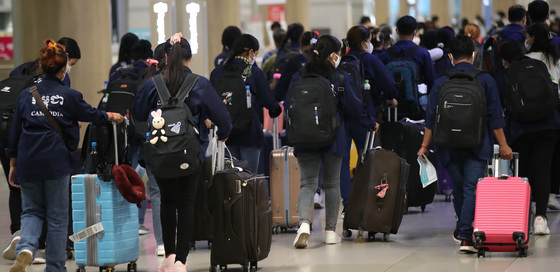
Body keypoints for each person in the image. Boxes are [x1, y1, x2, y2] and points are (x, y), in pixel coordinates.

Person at [7, 39, 124, 272]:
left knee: (30, 210)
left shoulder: (25, 96)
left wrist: (13, 164)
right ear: (63, 70)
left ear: (42, 66)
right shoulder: (69, 95)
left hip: (28, 158)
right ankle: (55, 268)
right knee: (57, 217)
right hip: (56, 160)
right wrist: (112, 116)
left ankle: (27, 247)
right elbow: (92, 114)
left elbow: (15, 132)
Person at [132, 33, 232, 272]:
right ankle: (182, 261)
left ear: (165, 56)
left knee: (166, 201)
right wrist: (224, 131)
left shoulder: (152, 83)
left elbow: (136, 113)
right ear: (189, 57)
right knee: (186, 203)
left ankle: (169, 255)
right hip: (189, 153)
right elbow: (222, 117)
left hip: (159, 153)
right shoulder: (199, 83)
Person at [417, 35, 513, 253]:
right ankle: (466, 236)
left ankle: (464, 231)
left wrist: (424, 146)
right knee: (472, 188)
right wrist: (504, 145)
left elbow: (431, 118)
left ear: (450, 57)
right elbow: (495, 117)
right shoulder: (486, 80)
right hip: (478, 144)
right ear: (473, 55)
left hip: (447, 145)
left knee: (459, 189)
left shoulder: (441, 82)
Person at [290, 35, 376, 249]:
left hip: (303, 137)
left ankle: (303, 225)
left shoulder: (298, 76)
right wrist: (370, 122)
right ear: (332, 55)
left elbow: (288, 105)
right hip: (333, 137)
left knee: (308, 182)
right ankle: (330, 232)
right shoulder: (339, 77)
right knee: (332, 183)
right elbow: (354, 106)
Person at [338, 25, 396, 215]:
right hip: (365, 117)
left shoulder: (340, 59)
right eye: (369, 40)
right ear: (364, 43)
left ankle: (348, 204)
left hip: (342, 117)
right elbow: (388, 82)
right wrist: (390, 96)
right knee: (370, 160)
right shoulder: (369, 59)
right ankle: (370, 202)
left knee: (343, 163)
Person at [209, 34, 282, 173]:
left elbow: (211, 100)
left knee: (230, 177)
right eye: (255, 53)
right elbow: (268, 101)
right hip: (250, 132)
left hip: (225, 133)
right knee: (249, 178)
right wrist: (275, 110)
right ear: (250, 52)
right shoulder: (254, 73)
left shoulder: (217, 73)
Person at [523, 22, 560, 228]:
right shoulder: (554, 58)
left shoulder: (522, 60)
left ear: (532, 39)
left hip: (524, 121)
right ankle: (541, 217)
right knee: (543, 169)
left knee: (525, 168)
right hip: (549, 119)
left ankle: (525, 206)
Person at [387, 15, 436, 118]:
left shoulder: (387, 54)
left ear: (396, 31)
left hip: (392, 108)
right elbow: (431, 81)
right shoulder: (422, 53)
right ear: (415, 32)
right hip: (416, 107)